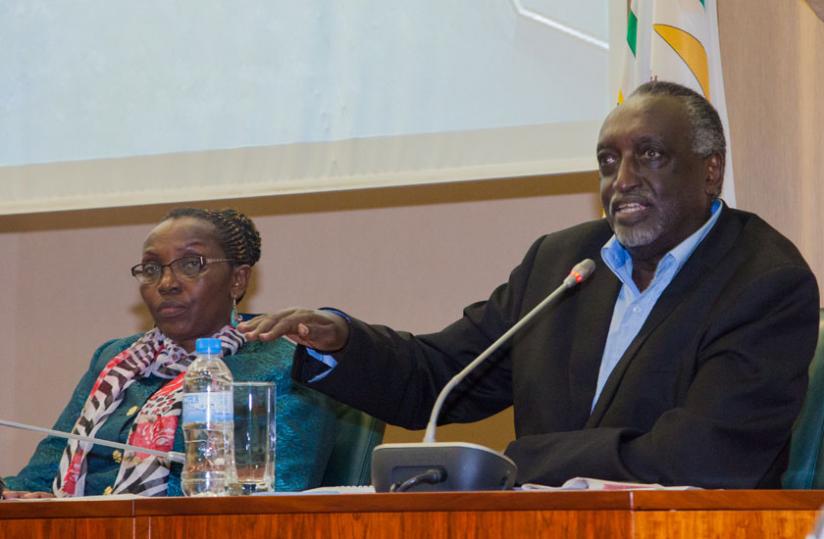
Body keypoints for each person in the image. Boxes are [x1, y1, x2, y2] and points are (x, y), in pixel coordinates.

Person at [238, 81, 820, 489]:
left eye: (650, 156)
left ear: (711, 170)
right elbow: (441, 376)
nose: (623, 181)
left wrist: (525, 463)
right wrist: (342, 341)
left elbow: (708, 457)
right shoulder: (562, 262)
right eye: (607, 161)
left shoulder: (765, 281)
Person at [2, 208, 340, 498]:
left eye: (191, 264)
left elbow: (274, 495)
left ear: (237, 280)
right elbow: (40, 476)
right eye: (151, 269)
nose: (167, 283)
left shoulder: (284, 366)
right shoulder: (115, 359)